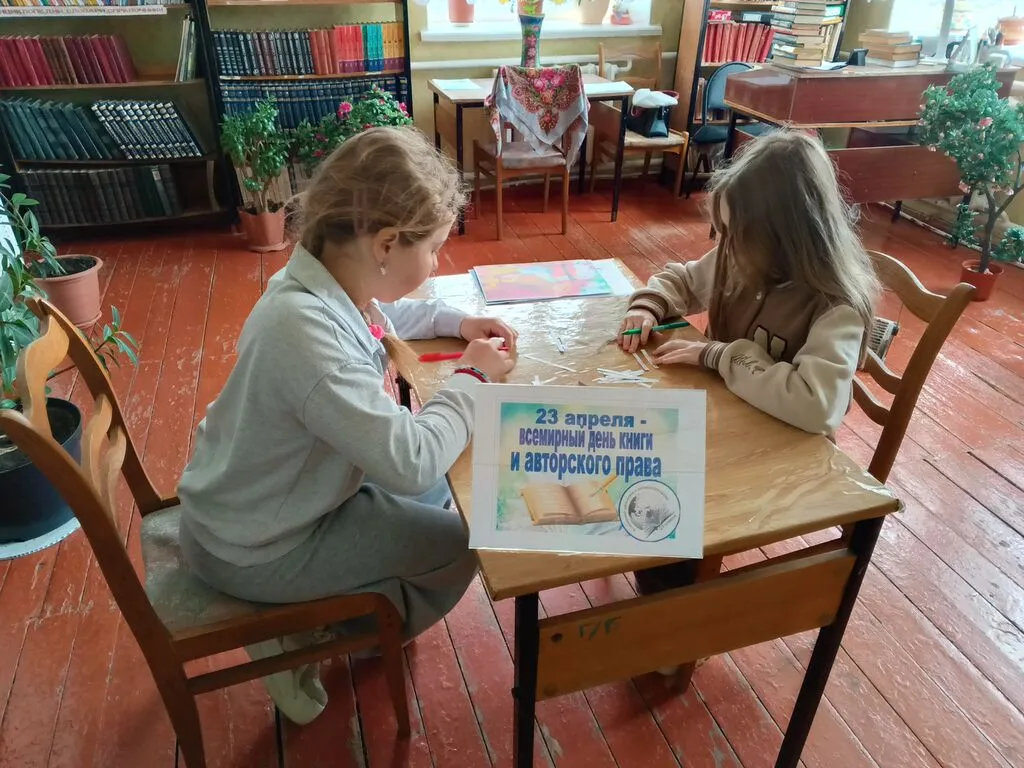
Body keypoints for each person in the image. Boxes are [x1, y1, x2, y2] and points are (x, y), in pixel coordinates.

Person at [176, 126, 517, 724]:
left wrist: (457, 321)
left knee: (446, 488)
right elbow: (411, 463)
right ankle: (315, 632)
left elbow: (382, 315)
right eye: (434, 248)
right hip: (255, 545)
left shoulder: (318, 282)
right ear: (386, 244)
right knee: (461, 544)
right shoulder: (308, 337)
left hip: (262, 501)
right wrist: (473, 377)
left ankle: (336, 608)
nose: (436, 262)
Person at [618, 129, 879, 600]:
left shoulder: (834, 305)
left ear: (784, 237)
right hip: (725, 423)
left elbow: (817, 406)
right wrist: (648, 305)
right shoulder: (742, 255)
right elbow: (683, 280)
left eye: (735, 233)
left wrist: (717, 354)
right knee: (638, 456)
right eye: (722, 231)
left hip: (784, 457)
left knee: (666, 509)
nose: (724, 244)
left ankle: (665, 617)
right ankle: (657, 582)